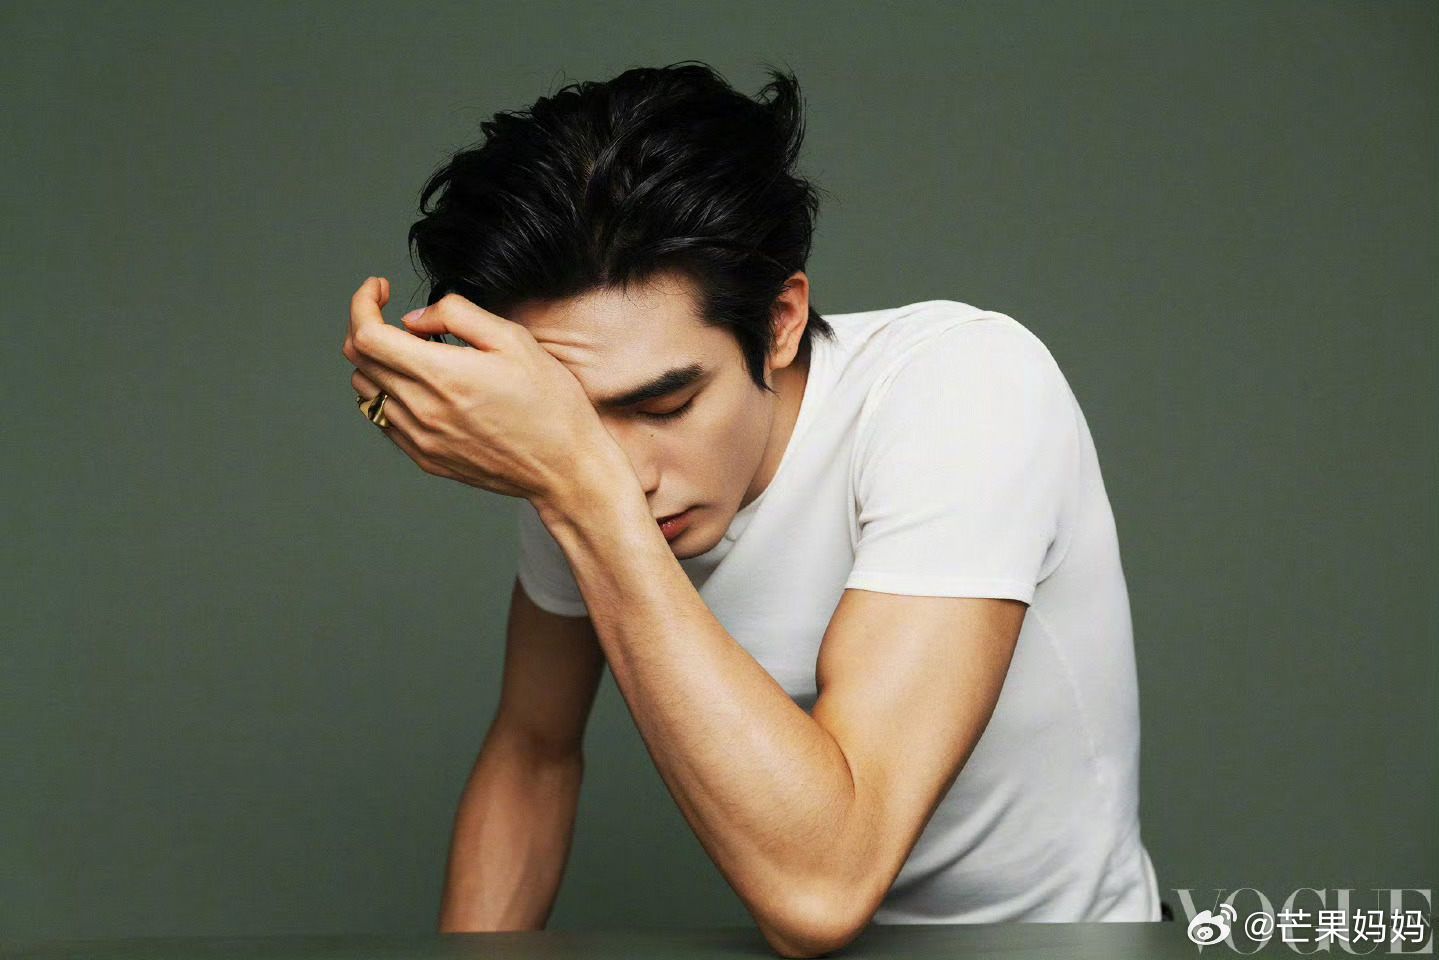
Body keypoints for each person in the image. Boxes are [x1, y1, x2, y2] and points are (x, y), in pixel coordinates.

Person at [342, 61, 1162, 958]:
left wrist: (578, 488)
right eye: (573, 422)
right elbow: (534, 750)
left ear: (778, 320)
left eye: (665, 404)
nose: (628, 474)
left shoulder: (963, 387)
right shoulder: (577, 471)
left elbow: (824, 890)